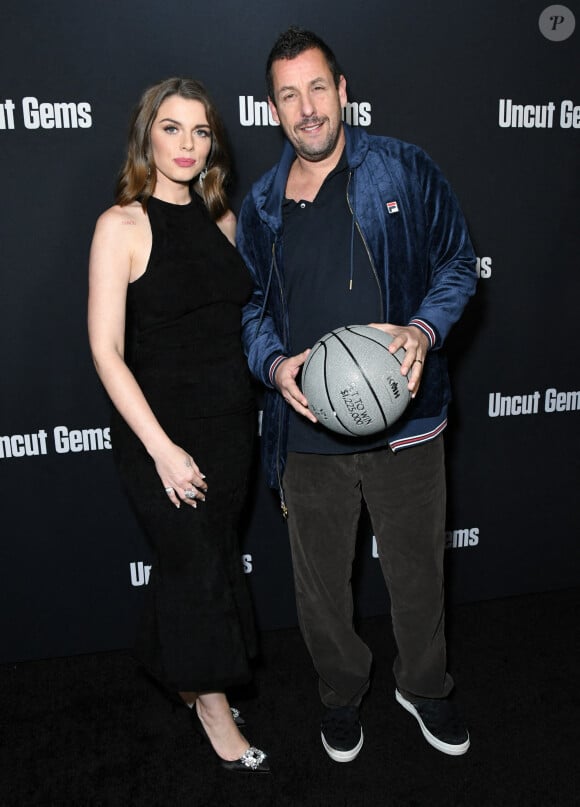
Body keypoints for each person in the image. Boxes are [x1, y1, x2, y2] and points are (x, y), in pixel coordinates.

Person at [237, 28, 477, 763]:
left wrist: (423, 331)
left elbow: (459, 265)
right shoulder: (262, 205)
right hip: (307, 433)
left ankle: (424, 684)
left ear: (342, 91)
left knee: (416, 573)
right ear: (273, 109)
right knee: (320, 593)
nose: (306, 108)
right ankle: (340, 694)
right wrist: (274, 366)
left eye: (317, 88)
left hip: (409, 423)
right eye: (288, 95)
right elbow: (247, 309)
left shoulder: (403, 167)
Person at [88, 77, 269, 773]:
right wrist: (161, 449)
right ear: (147, 136)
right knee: (195, 566)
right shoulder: (121, 225)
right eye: (172, 128)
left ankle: (187, 676)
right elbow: (105, 349)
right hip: (159, 433)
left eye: (200, 131)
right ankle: (215, 709)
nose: (187, 144)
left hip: (230, 428)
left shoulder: (222, 223)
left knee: (209, 559)